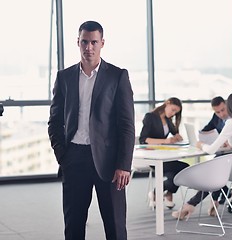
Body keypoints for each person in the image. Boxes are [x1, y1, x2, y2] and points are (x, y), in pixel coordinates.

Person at [48, 21, 135, 240]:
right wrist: (62, 155)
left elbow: (126, 125)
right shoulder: (64, 77)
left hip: (109, 162)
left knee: (115, 226)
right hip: (74, 159)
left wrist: (123, 165)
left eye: (94, 42)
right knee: (73, 225)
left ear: (102, 43)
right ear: (78, 42)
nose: (89, 47)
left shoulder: (117, 76)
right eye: (84, 42)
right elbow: (55, 122)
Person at [173, 93, 232, 219]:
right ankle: (202, 201)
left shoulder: (231, 123)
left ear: (229, 107)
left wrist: (201, 144)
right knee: (216, 168)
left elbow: (211, 149)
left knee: (212, 172)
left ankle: (190, 205)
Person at [171, 96, 231, 219]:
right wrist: (203, 138)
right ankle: (217, 197)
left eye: (223, 110)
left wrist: (205, 144)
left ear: (227, 105)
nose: (221, 114)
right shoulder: (217, 117)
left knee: (212, 173)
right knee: (213, 171)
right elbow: (206, 130)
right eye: (217, 112)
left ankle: (190, 204)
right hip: (223, 154)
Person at [139, 97, 189, 209]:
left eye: (176, 112)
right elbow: (144, 139)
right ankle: (166, 193)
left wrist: (177, 137)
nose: (173, 113)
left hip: (165, 156)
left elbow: (175, 133)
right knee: (184, 168)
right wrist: (165, 141)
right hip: (153, 158)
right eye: (173, 110)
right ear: (167, 103)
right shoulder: (150, 117)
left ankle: (159, 192)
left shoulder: (167, 120)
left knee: (176, 172)